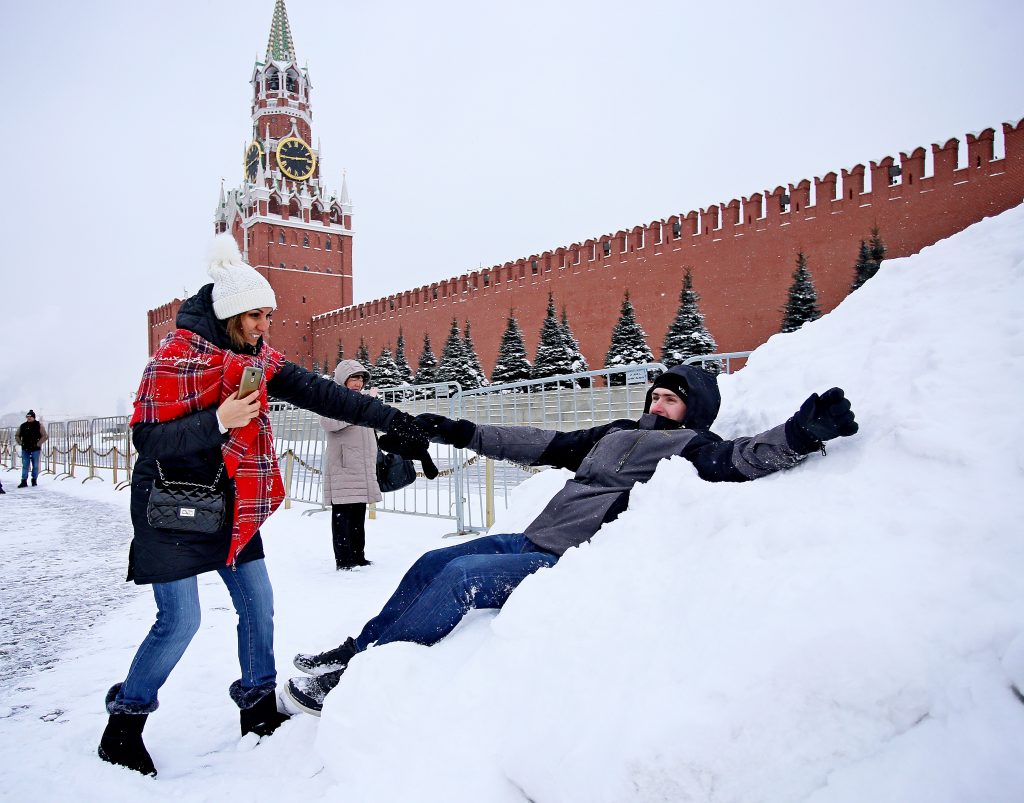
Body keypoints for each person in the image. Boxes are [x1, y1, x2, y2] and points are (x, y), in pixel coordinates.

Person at [285, 364, 859, 715]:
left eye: (671, 399)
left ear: (693, 411)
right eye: (655, 396)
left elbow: (739, 459)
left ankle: (360, 679)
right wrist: (460, 430)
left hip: (566, 561)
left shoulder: (691, 447)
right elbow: (541, 441)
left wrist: (800, 435)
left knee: (461, 581)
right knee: (436, 558)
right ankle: (359, 648)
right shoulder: (614, 433)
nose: (658, 405)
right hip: (531, 539)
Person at [97, 234, 434, 777]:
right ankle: (124, 725)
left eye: (269, 316)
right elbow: (149, 440)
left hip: (233, 501)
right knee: (180, 621)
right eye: (256, 315)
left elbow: (326, 394)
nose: (264, 326)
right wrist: (217, 422)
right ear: (231, 313)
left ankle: (256, 707)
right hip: (172, 507)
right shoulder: (174, 362)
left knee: (259, 604)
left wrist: (394, 420)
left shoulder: (258, 360)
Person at [321, 360, 381, 569]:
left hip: (362, 466)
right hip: (343, 466)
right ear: (343, 379)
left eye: (361, 379)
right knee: (342, 517)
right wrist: (361, 409)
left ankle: (359, 556)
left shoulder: (364, 401)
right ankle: (344, 560)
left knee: (358, 515)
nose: (358, 383)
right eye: (353, 378)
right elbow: (328, 423)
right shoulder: (332, 400)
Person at [15, 410, 48, 487]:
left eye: (30, 417)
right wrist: (20, 442)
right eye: (27, 417)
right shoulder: (23, 426)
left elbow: (45, 436)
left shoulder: (39, 425)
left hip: (35, 449)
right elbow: (17, 435)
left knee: (35, 465)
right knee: (25, 465)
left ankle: (34, 480)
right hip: (25, 448)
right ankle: (24, 481)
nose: (29, 418)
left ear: (33, 417)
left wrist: (39, 443)